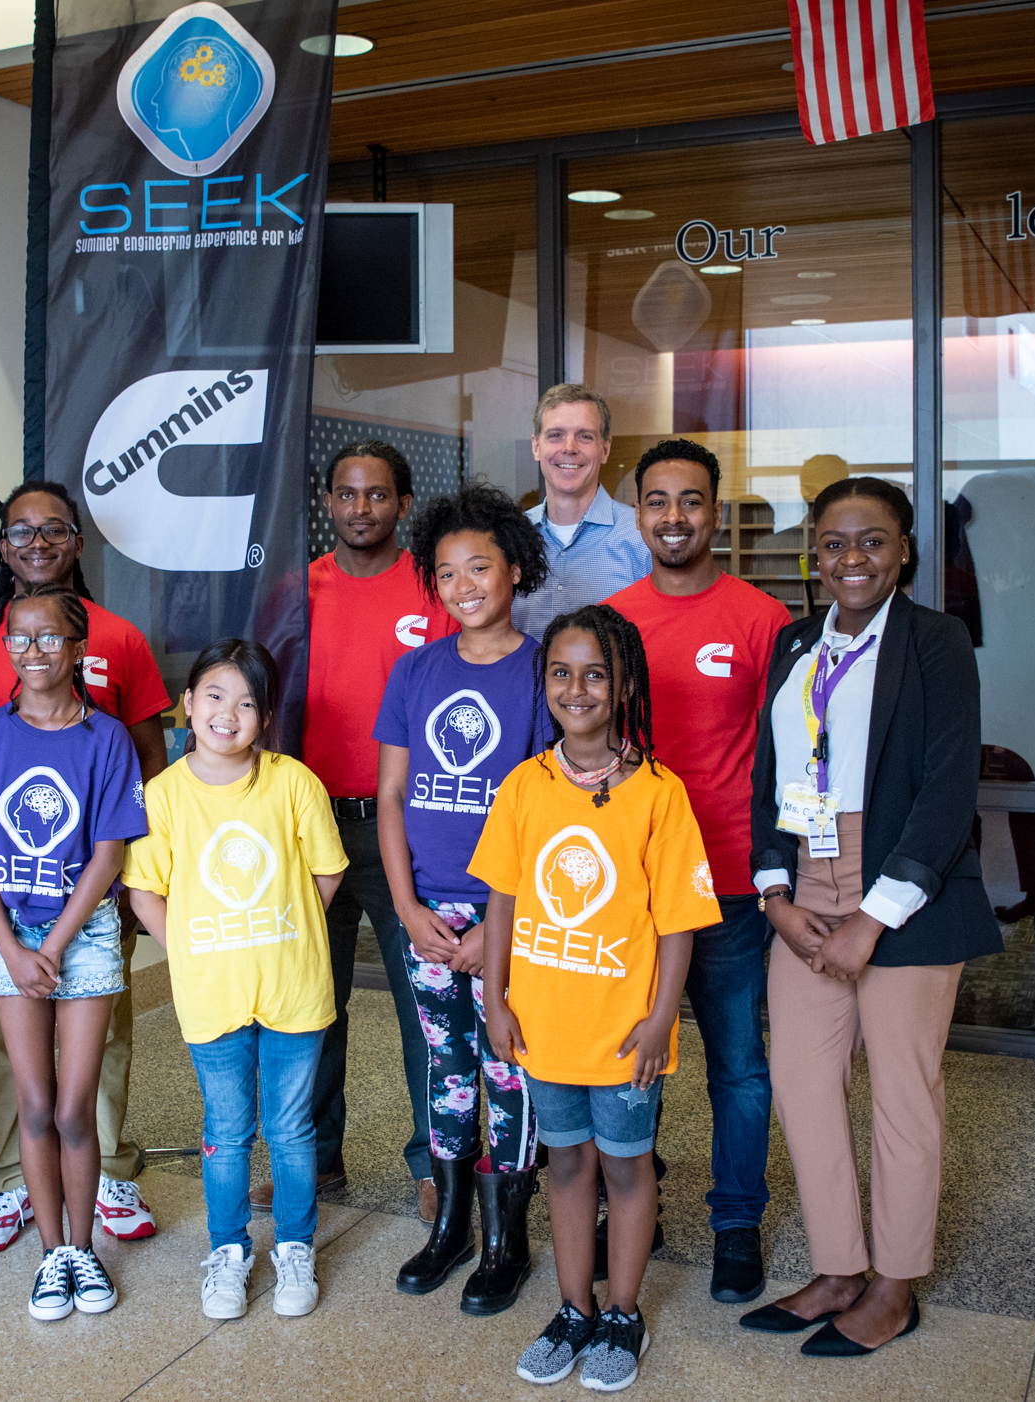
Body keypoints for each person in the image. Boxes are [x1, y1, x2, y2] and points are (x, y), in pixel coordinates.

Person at [743, 477, 997, 1357]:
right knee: (803, 1088)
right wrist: (774, 894)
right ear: (813, 554)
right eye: (835, 544)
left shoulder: (936, 641)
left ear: (905, 551)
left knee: (902, 1097)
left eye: (873, 542)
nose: (852, 559)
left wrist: (874, 919)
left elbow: (946, 788)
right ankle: (839, 1267)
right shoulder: (794, 643)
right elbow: (770, 777)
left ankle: (894, 1282)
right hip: (805, 885)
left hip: (904, 895)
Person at [475, 605, 720, 1393]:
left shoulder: (658, 794)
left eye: (594, 674)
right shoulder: (524, 786)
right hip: (544, 1027)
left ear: (623, 688)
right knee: (568, 1163)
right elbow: (502, 906)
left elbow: (679, 924)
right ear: (544, 684)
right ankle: (573, 1308)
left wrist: (660, 1019)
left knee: (625, 1166)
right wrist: (497, 999)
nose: (576, 688)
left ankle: (622, 1312)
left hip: (624, 1036)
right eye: (561, 673)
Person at [0, 481, 170, 1250]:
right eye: (21, 531)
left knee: (100, 1036)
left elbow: (149, 762)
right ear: (3, 547)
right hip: (2, 889)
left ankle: (102, 1173)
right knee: (5, 1041)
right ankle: (12, 1178)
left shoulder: (120, 639)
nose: (37, 543)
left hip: (89, 893)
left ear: (77, 541)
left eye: (55, 529)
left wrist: (137, 888)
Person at [603, 439, 792, 1304]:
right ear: (635, 512)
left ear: (715, 512)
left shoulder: (762, 620)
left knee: (738, 1066)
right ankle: (626, 1203)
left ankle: (735, 1223)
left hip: (727, 884)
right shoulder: (611, 620)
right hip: (626, 890)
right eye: (657, 501)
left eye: (691, 501)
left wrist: (774, 871)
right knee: (621, 1058)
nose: (673, 517)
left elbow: (791, 760)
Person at [122, 639, 348, 1323]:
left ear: (267, 717)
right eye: (214, 696)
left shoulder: (293, 783)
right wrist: (190, 951)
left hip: (294, 989)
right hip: (210, 993)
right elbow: (144, 892)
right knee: (224, 1130)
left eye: (247, 702)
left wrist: (288, 933)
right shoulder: (161, 797)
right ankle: (226, 1251)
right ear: (187, 704)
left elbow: (328, 873)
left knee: (290, 1129)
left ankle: (294, 1248)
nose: (228, 713)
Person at [0, 583, 148, 1322]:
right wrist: (9, 947)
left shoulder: (107, 739)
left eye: (50, 639)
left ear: (79, 648)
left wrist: (54, 944)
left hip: (84, 933)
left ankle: (86, 1251)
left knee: (72, 1109)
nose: (33, 653)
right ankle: (52, 1255)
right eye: (19, 640)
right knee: (30, 1104)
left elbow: (108, 855)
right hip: (8, 937)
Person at [375, 483, 550, 1315]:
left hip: (507, 919)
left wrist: (500, 927)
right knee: (446, 1072)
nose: (463, 585)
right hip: (429, 917)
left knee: (507, 1071)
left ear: (515, 568)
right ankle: (449, 1228)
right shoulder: (416, 671)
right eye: (446, 573)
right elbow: (391, 799)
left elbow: (554, 815)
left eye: (479, 566)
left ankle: (506, 1240)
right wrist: (408, 909)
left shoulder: (547, 668)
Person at [286, 439, 453, 1217]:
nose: (362, 509)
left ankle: (435, 1162)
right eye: (347, 495)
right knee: (313, 1004)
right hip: (309, 828)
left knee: (426, 1001)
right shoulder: (295, 592)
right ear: (328, 503)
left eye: (377, 495)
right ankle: (317, 1161)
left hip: (406, 831)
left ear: (404, 505)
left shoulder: (435, 588)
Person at [511, 384, 652, 639]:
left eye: (585, 436)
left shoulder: (643, 538)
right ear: (535, 446)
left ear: (605, 449)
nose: (569, 447)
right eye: (555, 435)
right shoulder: (508, 538)